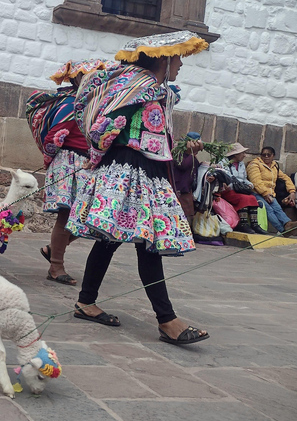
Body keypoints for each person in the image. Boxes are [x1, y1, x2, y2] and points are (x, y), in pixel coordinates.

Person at [66, 31, 209, 345]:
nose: (181, 65)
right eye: (178, 57)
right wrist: (97, 155)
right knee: (148, 242)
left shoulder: (154, 89)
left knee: (111, 240)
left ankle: (86, 301)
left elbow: (152, 134)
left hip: (145, 170)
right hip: (131, 171)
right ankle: (167, 320)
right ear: (164, 57)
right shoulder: (140, 86)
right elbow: (107, 124)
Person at [26, 59, 118, 286]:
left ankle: (54, 249)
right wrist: (50, 160)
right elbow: (55, 136)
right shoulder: (71, 102)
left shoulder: (96, 104)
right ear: (78, 78)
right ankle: (56, 266)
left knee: (88, 216)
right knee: (67, 216)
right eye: (89, 76)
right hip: (69, 162)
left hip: (87, 164)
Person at [216, 143, 266, 234]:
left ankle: (254, 224)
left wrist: (250, 184)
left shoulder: (241, 164)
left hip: (240, 189)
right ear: (235, 154)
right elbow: (226, 178)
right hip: (228, 190)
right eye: (242, 153)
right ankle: (243, 224)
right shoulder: (224, 163)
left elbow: (244, 178)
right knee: (245, 198)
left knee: (252, 198)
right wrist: (233, 186)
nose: (244, 155)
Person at [246, 146, 297, 235]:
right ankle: (283, 230)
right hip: (256, 193)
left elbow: (286, 178)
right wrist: (265, 194)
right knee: (268, 209)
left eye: (268, 155)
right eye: (263, 155)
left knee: (278, 209)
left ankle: (287, 223)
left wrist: (292, 191)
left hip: (270, 194)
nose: (266, 157)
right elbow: (256, 181)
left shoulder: (274, 166)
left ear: (273, 156)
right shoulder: (254, 164)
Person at [172, 132, 203, 224]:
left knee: (187, 221)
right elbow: (183, 165)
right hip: (178, 193)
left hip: (187, 194)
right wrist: (190, 153)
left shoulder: (193, 157)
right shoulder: (179, 155)